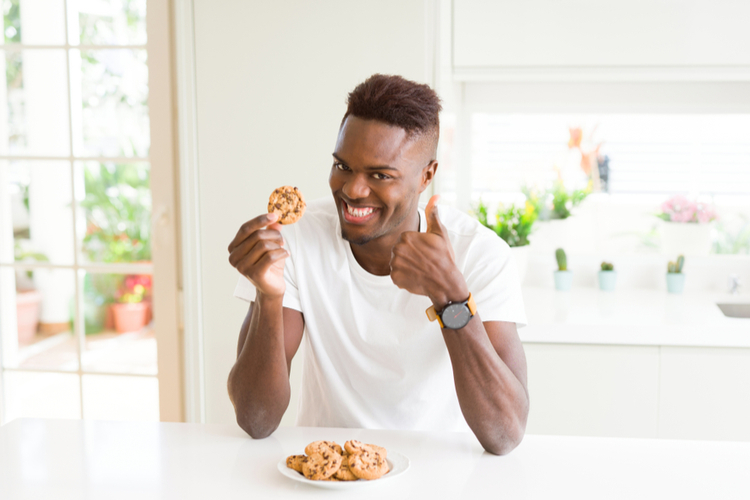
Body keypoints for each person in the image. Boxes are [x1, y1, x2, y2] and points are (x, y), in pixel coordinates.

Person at [227, 74, 528, 455]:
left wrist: (450, 299)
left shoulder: (480, 255)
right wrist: (269, 297)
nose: (353, 190)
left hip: (441, 471)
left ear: (426, 176)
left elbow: (504, 434)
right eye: (344, 167)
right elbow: (256, 419)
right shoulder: (297, 241)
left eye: (380, 175)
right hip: (331, 474)